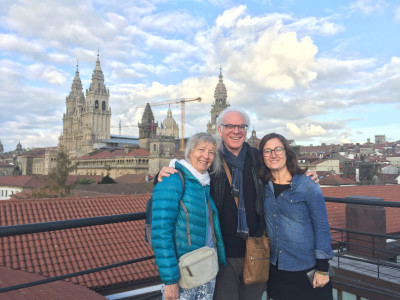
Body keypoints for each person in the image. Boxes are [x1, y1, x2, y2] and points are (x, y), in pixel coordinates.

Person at [157, 108, 319, 300]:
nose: (236, 131)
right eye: (230, 126)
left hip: (256, 249)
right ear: (219, 130)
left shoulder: (258, 158)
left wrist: (305, 176)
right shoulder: (210, 157)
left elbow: (282, 172)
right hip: (222, 254)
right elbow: (187, 174)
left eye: (241, 126)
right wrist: (160, 177)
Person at [259, 133, 334, 300]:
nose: (273, 154)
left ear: (287, 152)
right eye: (267, 151)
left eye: (278, 149)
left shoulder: (307, 185)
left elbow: (321, 226)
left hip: (308, 271)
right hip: (277, 272)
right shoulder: (262, 186)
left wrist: (322, 268)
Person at [151, 132, 226, 300]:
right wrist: (170, 281)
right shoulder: (172, 180)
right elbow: (160, 234)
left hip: (205, 267)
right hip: (183, 272)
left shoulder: (204, 182)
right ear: (189, 151)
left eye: (211, 152)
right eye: (201, 149)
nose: (206, 156)